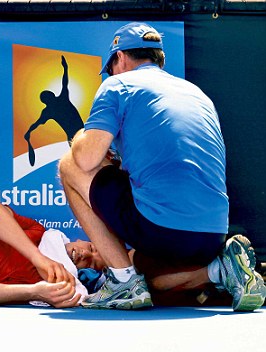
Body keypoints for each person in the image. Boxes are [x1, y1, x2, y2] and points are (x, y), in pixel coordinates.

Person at [58, 22, 266, 311]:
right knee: (147, 274)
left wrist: (81, 134)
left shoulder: (118, 84)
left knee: (68, 165)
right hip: (212, 234)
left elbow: (85, 160)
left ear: (120, 59)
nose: (111, 73)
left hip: (162, 229)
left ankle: (122, 283)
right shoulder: (195, 93)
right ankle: (219, 270)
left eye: (111, 67)